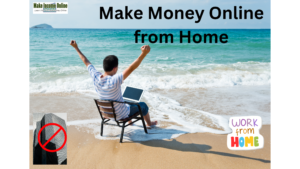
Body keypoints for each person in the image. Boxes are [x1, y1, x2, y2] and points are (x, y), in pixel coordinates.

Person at [70, 40, 157, 127]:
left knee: (124, 97)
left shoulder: (96, 77)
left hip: (107, 114)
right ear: (115, 68)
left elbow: (85, 61)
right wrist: (143, 54)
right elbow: (131, 68)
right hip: (120, 115)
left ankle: (130, 122)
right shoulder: (115, 80)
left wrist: (76, 48)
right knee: (143, 105)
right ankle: (149, 124)